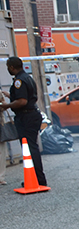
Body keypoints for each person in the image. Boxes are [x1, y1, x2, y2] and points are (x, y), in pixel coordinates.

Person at [1, 56, 46, 186]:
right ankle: (36, 178)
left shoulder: (19, 81)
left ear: (11, 67)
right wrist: (9, 95)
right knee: (32, 147)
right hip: (31, 115)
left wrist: (6, 106)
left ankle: (37, 179)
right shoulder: (27, 78)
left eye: (8, 66)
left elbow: (22, 101)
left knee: (30, 148)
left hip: (26, 117)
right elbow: (24, 97)